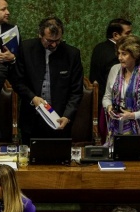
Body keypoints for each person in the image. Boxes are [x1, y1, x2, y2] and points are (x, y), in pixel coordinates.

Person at [11, 16, 84, 145]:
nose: (54, 44)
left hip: (60, 118)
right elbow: (17, 81)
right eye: (50, 41)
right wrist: (32, 98)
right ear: (40, 35)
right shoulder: (26, 49)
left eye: (58, 40)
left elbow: (76, 91)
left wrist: (67, 116)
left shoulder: (72, 54)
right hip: (32, 118)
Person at [102, 35, 140, 146]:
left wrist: (133, 115)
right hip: (116, 129)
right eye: (119, 53)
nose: (119, 57)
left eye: (124, 54)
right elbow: (106, 97)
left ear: (135, 55)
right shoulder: (114, 70)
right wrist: (109, 107)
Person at [89, 18, 132, 134]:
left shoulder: (99, 48)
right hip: (111, 109)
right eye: (128, 33)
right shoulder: (116, 55)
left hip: (96, 104)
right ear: (116, 35)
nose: (131, 36)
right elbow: (118, 86)